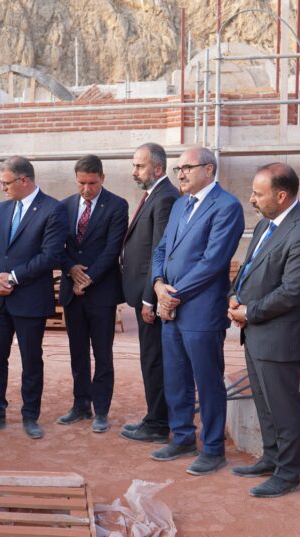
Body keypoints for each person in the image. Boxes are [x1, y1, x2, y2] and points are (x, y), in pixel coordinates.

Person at [227, 163, 300, 498]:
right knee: (264, 401)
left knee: (283, 407)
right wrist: (234, 297)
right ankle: (271, 458)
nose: (251, 199)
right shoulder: (266, 224)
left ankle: (288, 473)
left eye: (258, 193)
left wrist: (249, 311)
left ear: (281, 195)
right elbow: (248, 269)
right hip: (256, 331)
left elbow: (293, 292)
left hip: (280, 336)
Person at [150, 146, 244, 474]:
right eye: (178, 169)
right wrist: (159, 285)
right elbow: (162, 249)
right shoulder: (180, 204)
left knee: (207, 381)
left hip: (201, 311)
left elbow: (213, 262)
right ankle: (182, 437)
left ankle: (213, 447)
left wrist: (173, 296)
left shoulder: (227, 207)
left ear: (208, 169)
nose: (180, 174)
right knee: (176, 377)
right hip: (171, 307)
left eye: (187, 168)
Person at [0, 156, 68, 440]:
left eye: (6, 183)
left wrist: (13, 277)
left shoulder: (53, 209)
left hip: (29, 299)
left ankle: (30, 415)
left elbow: (50, 255)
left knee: (31, 360)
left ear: (24, 180)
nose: (2, 188)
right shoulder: (1, 209)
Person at [56, 155, 128, 433]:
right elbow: (56, 246)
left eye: (92, 183)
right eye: (81, 183)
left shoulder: (117, 205)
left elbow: (112, 249)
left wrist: (87, 278)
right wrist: (71, 269)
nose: (86, 189)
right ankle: (80, 405)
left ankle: (102, 410)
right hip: (72, 292)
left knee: (102, 354)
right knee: (77, 352)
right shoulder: (64, 206)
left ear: (102, 178)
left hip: (101, 293)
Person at [119, 143, 180, 444]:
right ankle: (153, 416)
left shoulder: (165, 197)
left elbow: (160, 252)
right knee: (150, 358)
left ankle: (158, 424)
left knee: (154, 360)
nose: (134, 172)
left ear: (157, 168)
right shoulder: (154, 194)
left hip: (151, 299)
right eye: (134, 165)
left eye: (139, 166)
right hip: (144, 293)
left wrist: (149, 300)